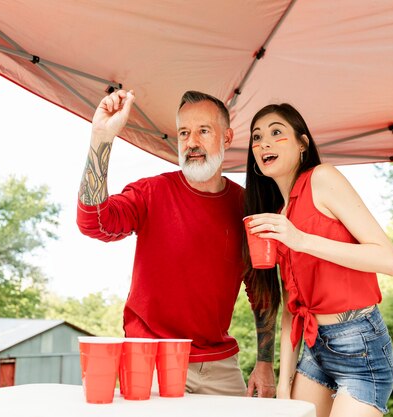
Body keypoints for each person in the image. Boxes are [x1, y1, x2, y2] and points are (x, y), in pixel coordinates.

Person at [77, 89, 276, 397]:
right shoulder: (151, 192)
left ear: (226, 137)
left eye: (203, 131)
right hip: (152, 361)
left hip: (220, 365)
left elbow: (261, 290)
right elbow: (94, 222)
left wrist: (264, 363)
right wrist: (101, 138)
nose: (192, 142)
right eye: (184, 132)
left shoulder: (246, 206)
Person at [243, 103, 393, 416]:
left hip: (361, 346)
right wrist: (284, 388)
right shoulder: (278, 217)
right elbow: (292, 308)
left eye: (277, 132)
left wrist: (301, 240)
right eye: (257, 137)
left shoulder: (322, 179)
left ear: (302, 143)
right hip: (315, 349)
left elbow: (389, 260)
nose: (264, 143)